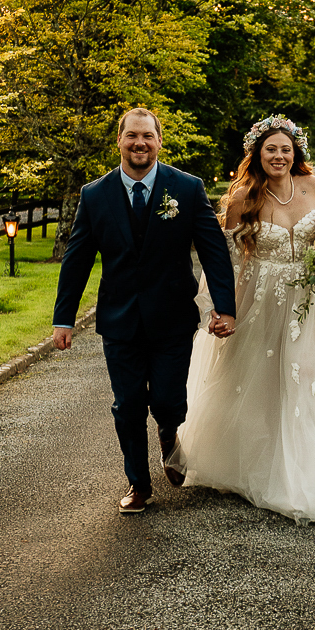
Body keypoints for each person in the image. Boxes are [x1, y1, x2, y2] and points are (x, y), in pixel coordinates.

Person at [167, 115, 315, 523]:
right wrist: (220, 308)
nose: (279, 156)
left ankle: (313, 461)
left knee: (311, 374)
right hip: (260, 301)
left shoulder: (314, 188)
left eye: (285, 149)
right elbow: (225, 262)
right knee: (258, 380)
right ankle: (256, 462)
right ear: (257, 154)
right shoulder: (241, 199)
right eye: (271, 149)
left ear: (295, 152)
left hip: (311, 301)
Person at [52, 108, 238, 514]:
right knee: (128, 404)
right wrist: (63, 318)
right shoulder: (94, 195)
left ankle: (169, 434)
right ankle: (138, 483)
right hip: (119, 321)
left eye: (147, 137)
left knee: (171, 401)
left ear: (158, 141)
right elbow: (77, 258)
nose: (139, 143)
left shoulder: (186, 189)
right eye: (132, 136)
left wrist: (226, 307)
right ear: (119, 140)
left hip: (172, 317)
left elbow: (214, 252)